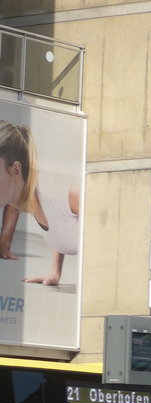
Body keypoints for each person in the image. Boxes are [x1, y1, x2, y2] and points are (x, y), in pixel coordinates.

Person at [0, 121, 80, 286]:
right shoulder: (28, 199)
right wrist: (55, 272)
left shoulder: (64, 192)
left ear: (15, 170)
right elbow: (59, 223)